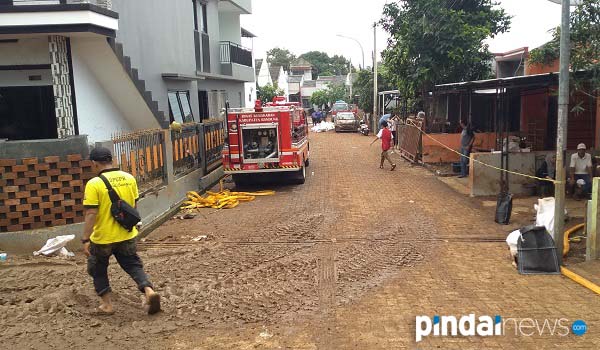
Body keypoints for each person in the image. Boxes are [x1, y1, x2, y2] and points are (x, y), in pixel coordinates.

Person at [83, 147, 161, 315]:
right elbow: (132, 206)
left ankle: (107, 305)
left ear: (95, 164)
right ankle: (149, 291)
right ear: (112, 160)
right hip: (126, 233)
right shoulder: (129, 178)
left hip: (103, 238)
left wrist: (85, 239)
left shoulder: (94, 184)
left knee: (98, 268)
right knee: (133, 264)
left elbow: (91, 213)